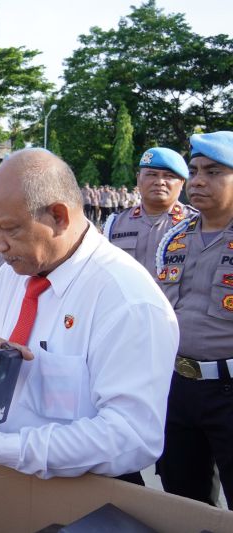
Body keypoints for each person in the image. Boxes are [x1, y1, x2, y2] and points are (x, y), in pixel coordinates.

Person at [0, 148, 178, 482]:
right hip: (0, 473)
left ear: (58, 216)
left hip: (82, 492)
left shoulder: (128, 300)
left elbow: (130, 436)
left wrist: (6, 448)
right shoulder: (12, 275)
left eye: (9, 229)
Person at [155, 131, 233, 509]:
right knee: (183, 500)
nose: (198, 180)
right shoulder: (176, 237)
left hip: (229, 389)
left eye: (214, 172)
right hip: (177, 387)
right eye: (196, 170)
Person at [104, 147, 195, 276]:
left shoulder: (195, 222)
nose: (160, 182)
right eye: (152, 174)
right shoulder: (114, 224)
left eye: (169, 176)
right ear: (138, 179)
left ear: (181, 183)